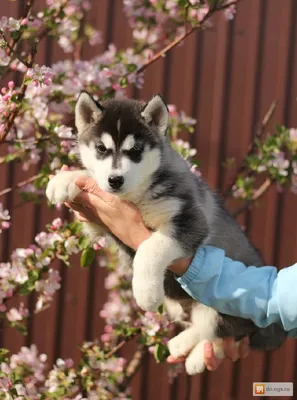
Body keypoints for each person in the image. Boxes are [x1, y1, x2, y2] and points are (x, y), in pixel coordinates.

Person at [53, 167, 297, 371]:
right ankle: (209, 332)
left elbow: (275, 298)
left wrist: (139, 236)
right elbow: (279, 300)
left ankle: (208, 332)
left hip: (222, 290)